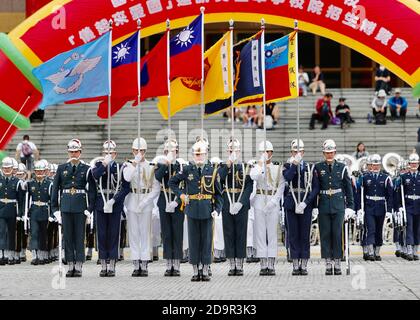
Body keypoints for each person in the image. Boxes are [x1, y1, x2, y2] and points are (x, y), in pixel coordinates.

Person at [169, 139, 223, 282]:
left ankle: (205, 269)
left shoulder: (212, 170)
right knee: (193, 241)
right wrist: (181, 195)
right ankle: (195, 270)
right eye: (196, 155)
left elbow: (218, 194)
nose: (199, 157)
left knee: (206, 241)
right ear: (193, 156)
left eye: (201, 155)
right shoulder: (187, 169)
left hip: (207, 209)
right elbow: (172, 182)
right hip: (192, 208)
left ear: (206, 155)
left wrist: (217, 209)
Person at [51, 139, 96, 277]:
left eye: (76, 152)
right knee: (68, 237)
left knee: (79, 237)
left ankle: (79, 265)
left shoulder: (87, 169)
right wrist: (55, 209)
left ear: (80, 152)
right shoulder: (61, 168)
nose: (73, 154)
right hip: (65, 206)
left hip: (80, 207)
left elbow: (93, 191)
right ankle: (70, 264)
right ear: (68, 152)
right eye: (71, 152)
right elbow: (55, 190)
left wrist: (90, 209)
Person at [314, 140, 354, 275]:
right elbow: (315, 188)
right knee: (325, 234)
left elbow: (348, 189)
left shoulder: (342, 167)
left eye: (331, 152)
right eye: (327, 153)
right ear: (323, 153)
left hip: (338, 205)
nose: (329, 155)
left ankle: (337, 261)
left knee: (338, 234)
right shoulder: (318, 167)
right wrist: (314, 206)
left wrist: (350, 207)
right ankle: (328, 262)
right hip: (324, 204)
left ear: (335, 152)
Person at [91, 140, 130, 277]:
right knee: (101, 234)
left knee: (114, 234)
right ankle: (103, 264)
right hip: (101, 203)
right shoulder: (98, 165)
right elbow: (95, 176)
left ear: (115, 154)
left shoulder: (121, 167)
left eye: (111, 153)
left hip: (115, 202)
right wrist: (104, 164)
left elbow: (126, 188)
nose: (108, 155)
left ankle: (112, 264)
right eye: (106, 153)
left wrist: (114, 200)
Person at [122, 137, 160, 277]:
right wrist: (135, 163)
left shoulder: (151, 166)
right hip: (132, 200)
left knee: (145, 233)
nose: (140, 153)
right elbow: (126, 178)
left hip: (146, 201)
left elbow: (156, 189)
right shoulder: (128, 165)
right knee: (133, 234)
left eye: (142, 151)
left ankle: (144, 262)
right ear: (133, 151)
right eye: (137, 151)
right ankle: (135, 262)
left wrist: (145, 202)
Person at [282, 140, 319, 275]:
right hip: (291, 203)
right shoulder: (287, 165)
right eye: (294, 151)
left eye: (299, 151)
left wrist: (307, 202)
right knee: (293, 234)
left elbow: (315, 188)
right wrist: (294, 164)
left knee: (304, 234)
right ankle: (295, 262)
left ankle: (304, 263)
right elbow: (287, 177)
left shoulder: (310, 167)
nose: (297, 153)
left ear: (303, 152)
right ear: (291, 153)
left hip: (305, 204)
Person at [250, 141, 285, 276]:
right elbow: (253, 176)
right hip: (259, 199)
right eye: (263, 152)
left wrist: (275, 201)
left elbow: (281, 185)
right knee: (260, 233)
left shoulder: (278, 167)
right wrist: (261, 163)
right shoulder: (256, 166)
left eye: (268, 152)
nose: (266, 154)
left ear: (272, 153)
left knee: (271, 233)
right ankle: (263, 262)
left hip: (272, 201)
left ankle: (271, 262)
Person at [218, 138, 253, 276]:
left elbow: (249, 186)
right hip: (227, 202)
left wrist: (241, 202)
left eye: (236, 150)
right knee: (229, 232)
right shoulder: (223, 166)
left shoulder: (245, 167)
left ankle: (240, 262)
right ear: (228, 151)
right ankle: (232, 262)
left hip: (241, 203)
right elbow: (219, 179)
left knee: (241, 233)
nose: (234, 152)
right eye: (231, 150)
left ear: (239, 152)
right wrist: (228, 164)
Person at [154, 139, 185, 277]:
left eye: (173, 151)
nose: (171, 154)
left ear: (177, 152)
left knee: (177, 233)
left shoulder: (182, 166)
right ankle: (168, 264)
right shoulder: (161, 165)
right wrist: (166, 163)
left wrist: (177, 201)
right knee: (166, 233)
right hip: (163, 200)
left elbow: (184, 186)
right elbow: (157, 177)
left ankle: (177, 264)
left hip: (177, 202)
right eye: (167, 151)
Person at [356, 154, 393, 261]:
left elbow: (390, 196)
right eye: (373, 165)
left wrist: (389, 210)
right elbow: (360, 194)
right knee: (370, 229)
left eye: (377, 165)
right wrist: (359, 209)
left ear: (380, 165)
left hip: (381, 206)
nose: (375, 167)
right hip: (369, 206)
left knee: (379, 230)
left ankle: (377, 252)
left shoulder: (386, 178)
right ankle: (371, 252)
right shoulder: (365, 177)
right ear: (370, 165)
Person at [27, 161, 53, 265]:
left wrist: (51, 214)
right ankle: (34, 256)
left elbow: (52, 200)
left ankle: (42, 255)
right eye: (37, 171)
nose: (39, 173)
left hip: (44, 210)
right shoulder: (30, 183)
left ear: (44, 171)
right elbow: (27, 199)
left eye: (41, 171)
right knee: (34, 233)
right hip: (34, 211)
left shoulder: (49, 184)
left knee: (43, 234)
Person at [0, 157, 24, 265]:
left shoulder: (17, 182)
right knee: (1, 232)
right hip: (1, 209)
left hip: (12, 209)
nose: (6, 170)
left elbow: (21, 200)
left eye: (8, 168)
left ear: (12, 168)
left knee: (11, 233)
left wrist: (20, 214)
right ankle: (2, 254)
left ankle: (11, 255)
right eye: (4, 168)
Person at [396, 153, 420, 261]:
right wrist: (400, 206)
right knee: (409, 227)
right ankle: (409, 250)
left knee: (418, 229)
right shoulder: (404, 177)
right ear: (409, 164)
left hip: (418, 205)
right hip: (408, 205)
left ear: (418, 164)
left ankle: (416, 251)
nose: (414, 165)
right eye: (412, 163)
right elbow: (399, 193)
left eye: (416, 163)